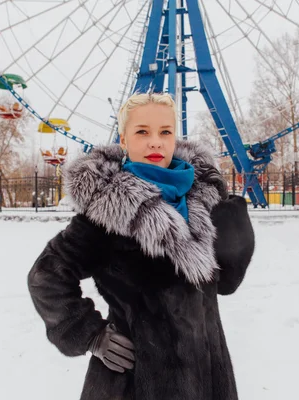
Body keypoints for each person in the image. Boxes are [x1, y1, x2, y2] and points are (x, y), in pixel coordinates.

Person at [28, 92, 255, 400]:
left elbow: (226, 284)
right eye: (142, 131)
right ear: (125, 138)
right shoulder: (108, 210)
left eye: (165, 132)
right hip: (135, 383)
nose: (155, 142)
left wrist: (234, 232)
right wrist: (91, 335)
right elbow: (46, 276)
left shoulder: (202, 201)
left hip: (208, 379)